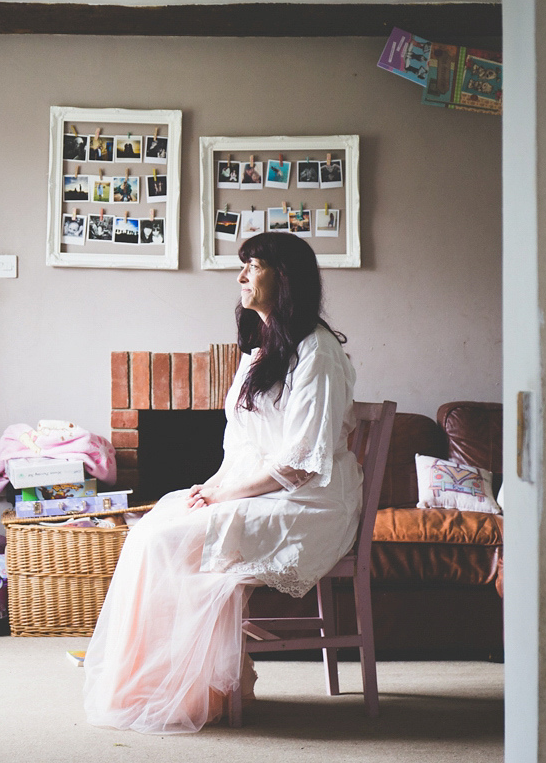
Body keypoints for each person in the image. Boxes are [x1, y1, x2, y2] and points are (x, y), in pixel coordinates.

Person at [83, 232, 361, 734]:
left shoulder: (316, 353)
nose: (241, 276)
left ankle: (196, 687)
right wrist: (208, 489)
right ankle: (161, 684)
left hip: (307, 501)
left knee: (172, 540)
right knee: (153, 527)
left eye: (252, 266)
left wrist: (220, 495)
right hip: (262, 490)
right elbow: (244, 448)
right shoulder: (262, 351)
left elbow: (298, 464)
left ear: (285, 277)